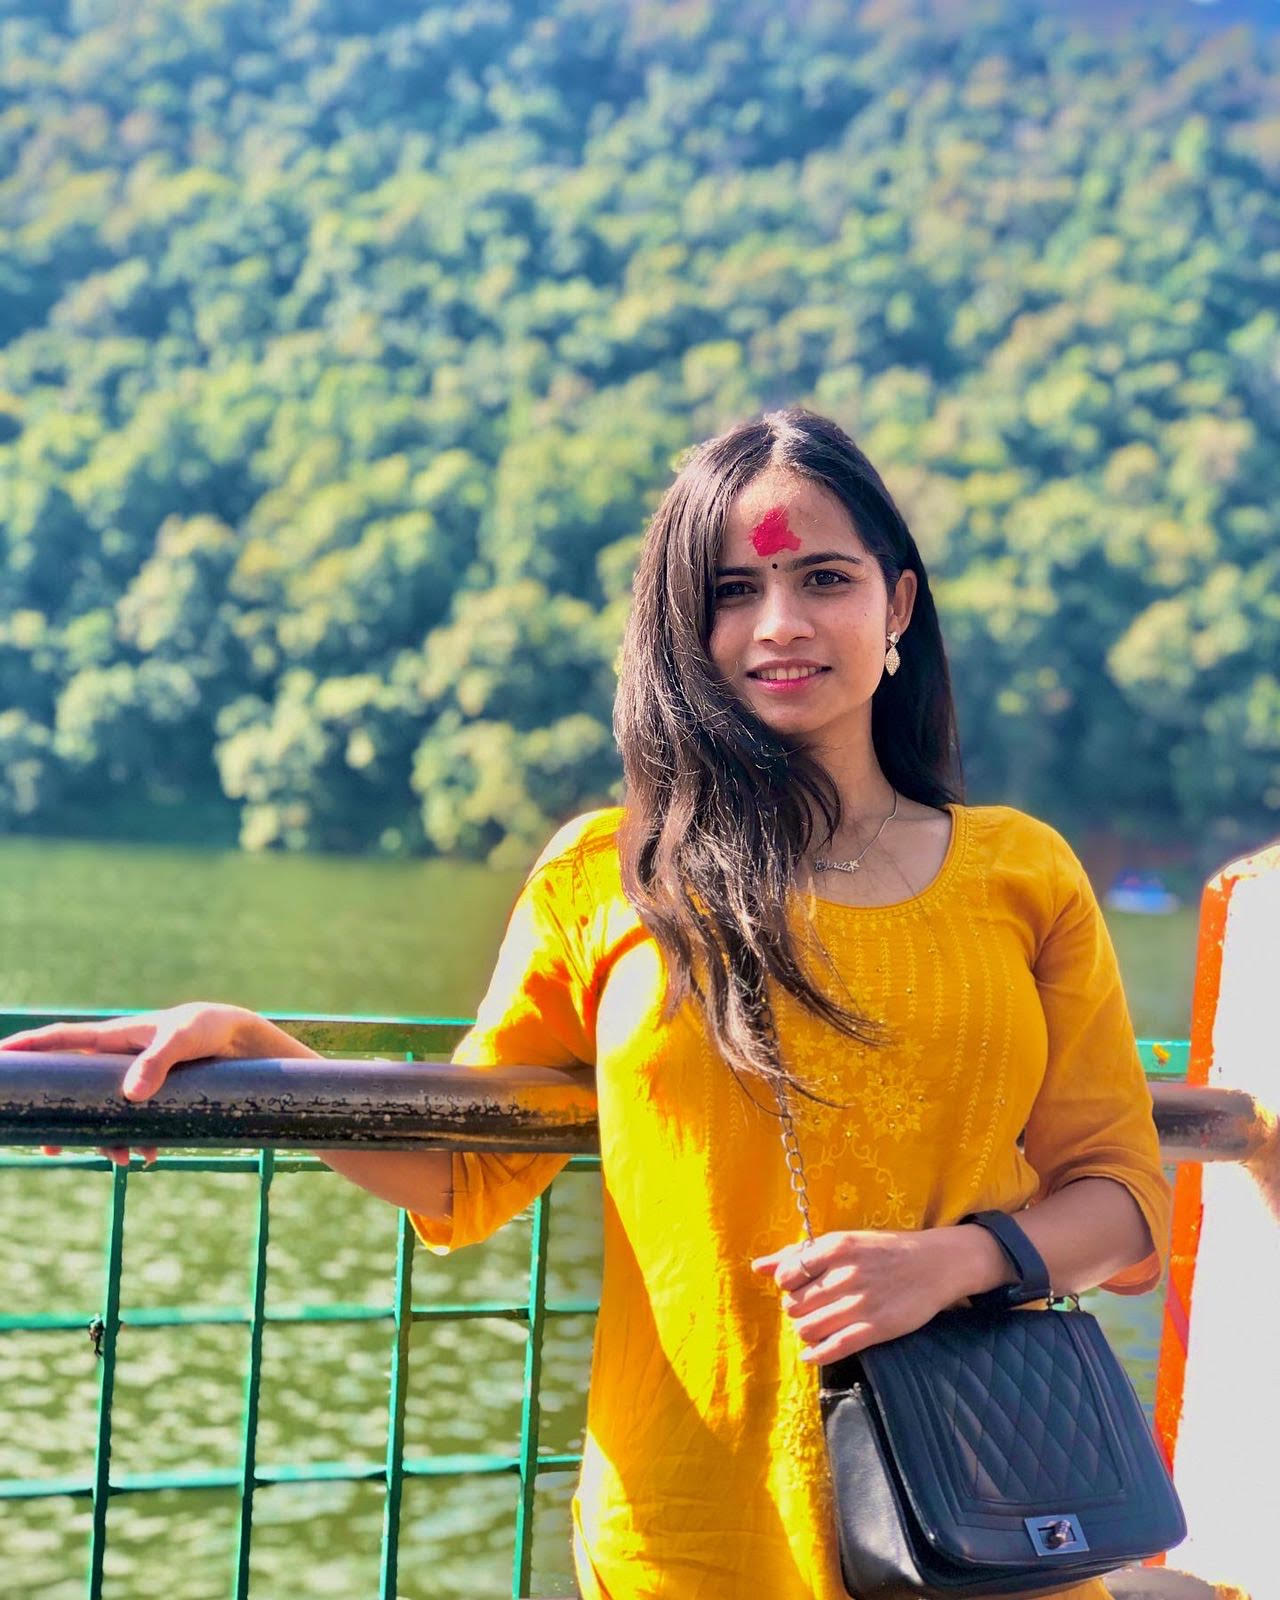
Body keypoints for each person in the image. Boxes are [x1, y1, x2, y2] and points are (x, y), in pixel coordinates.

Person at [3, 408, 1170, 1600]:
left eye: (823, 577)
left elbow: (1126, 1204)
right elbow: (461, 1177)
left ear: (899, 610)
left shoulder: (1018, 874)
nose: (779, 623)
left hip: (977, 1525)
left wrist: (955, 1260)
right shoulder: (607, 877)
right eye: (731, 589)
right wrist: (256, 1056)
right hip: (688, 1534)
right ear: (683, 626)